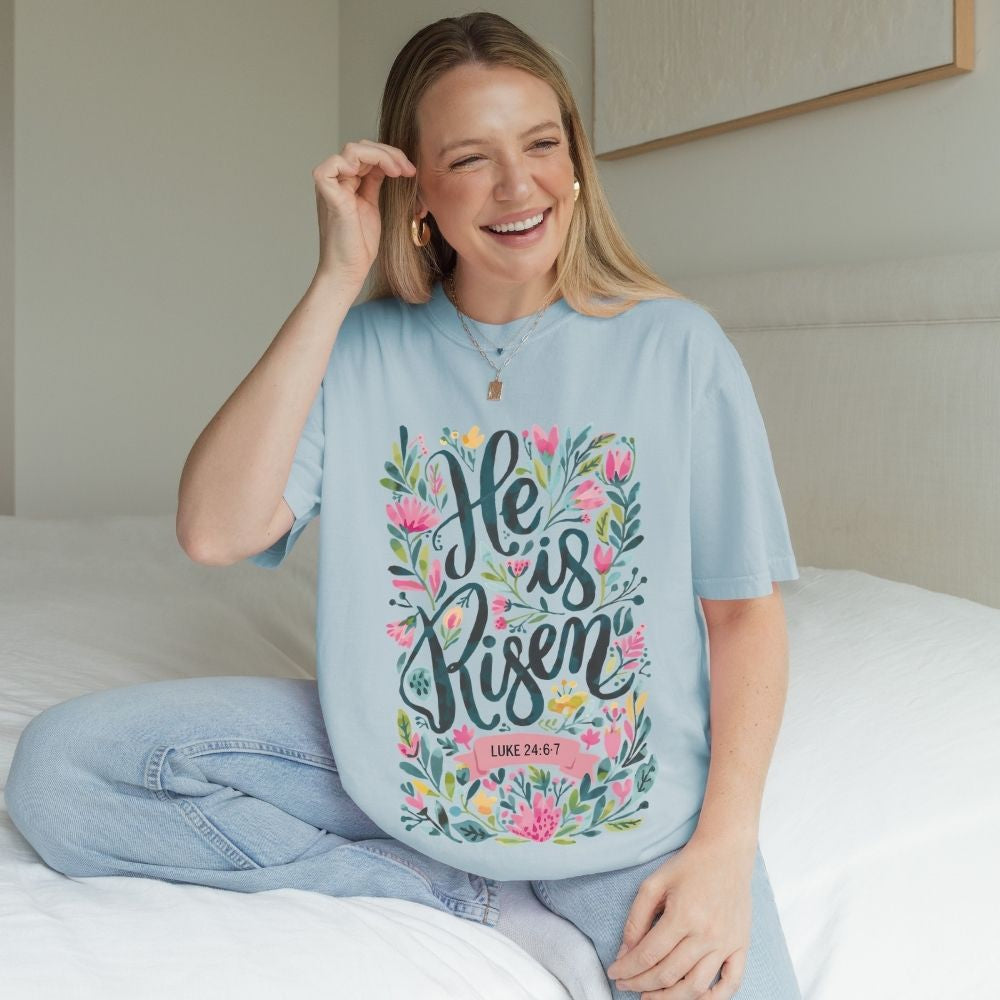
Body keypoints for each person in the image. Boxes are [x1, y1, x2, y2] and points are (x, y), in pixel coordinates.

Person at [5, 11, 803, 1000]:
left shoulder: (676, 347)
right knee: (64, 771)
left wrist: (725, 848)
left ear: (577, 165)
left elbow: (742, 614)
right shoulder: (364, 348)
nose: (518, 187)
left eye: (542, 145)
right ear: (417, 192)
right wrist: (337, 279)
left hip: (618, 808)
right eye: (470, 158)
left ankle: (507, 884)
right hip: (388, 758)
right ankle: (459, 900)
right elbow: (216, 529)